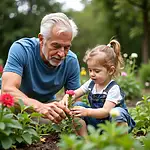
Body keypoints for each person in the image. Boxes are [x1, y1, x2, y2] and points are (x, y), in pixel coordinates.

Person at [1, 12, 81, 124]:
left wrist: (65, 106)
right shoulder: (22, 49)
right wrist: (39, 107)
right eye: (56, 46)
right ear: (41, 39)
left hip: (46, 105)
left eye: (66, 47)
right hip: (12, 104)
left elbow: (76, 100)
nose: (62, 54)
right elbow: (7, 90)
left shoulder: (71, 61)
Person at [61, 40, 135, 136]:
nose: (92, 74)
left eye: (96, 71)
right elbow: (76, 93)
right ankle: (85, 140)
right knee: (77, 106)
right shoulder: (91, 83)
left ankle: (121, 140)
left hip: (113, 124)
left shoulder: (113, 89)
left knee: (117, 112)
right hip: (97, 122)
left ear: (110, 70)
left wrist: (87, 112)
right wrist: (67, 97)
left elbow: (105, 111)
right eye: (90, 70)